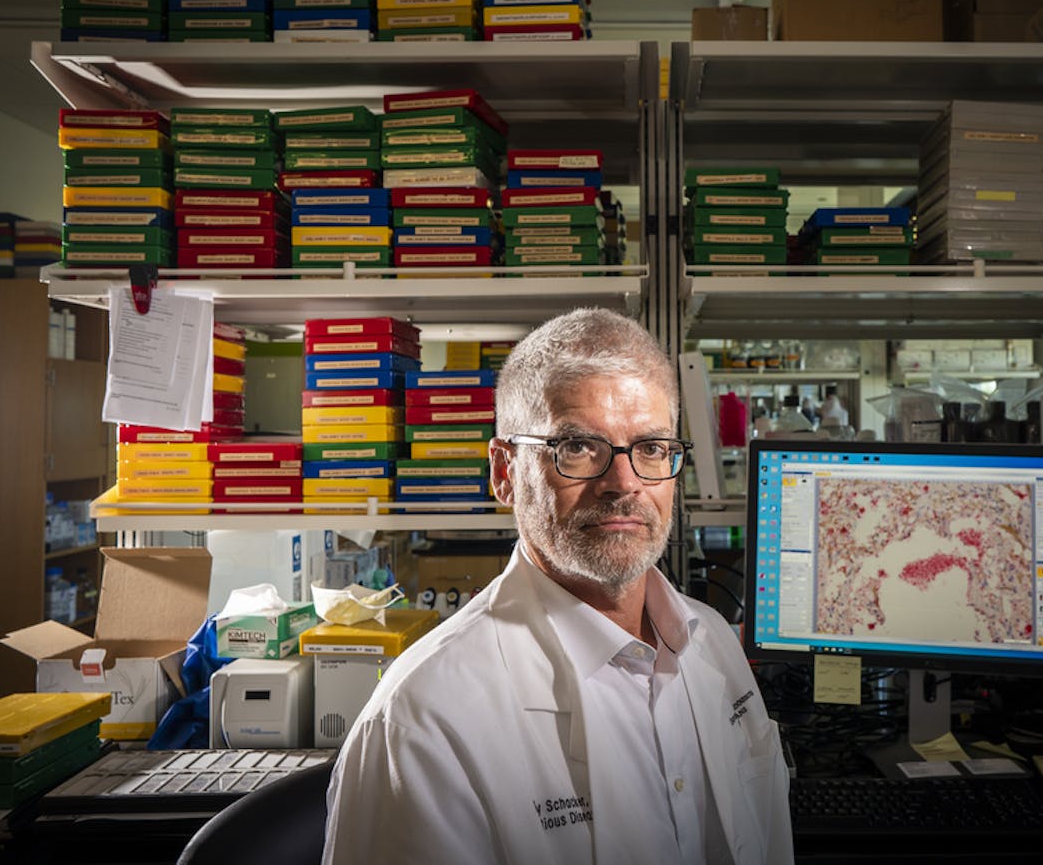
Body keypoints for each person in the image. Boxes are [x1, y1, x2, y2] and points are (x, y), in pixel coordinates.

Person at [323, 307, 793, 865]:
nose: (624, 483)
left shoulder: (712, 641)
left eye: (651, 448)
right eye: (577, 448)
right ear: (504, 471)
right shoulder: (422, 720)